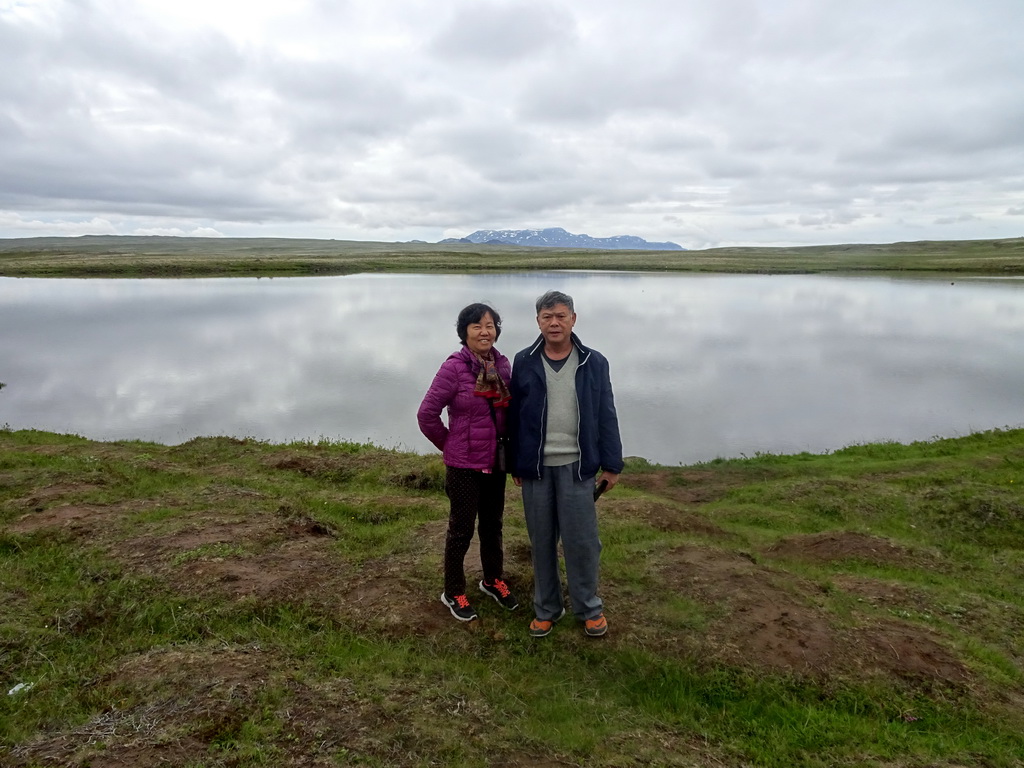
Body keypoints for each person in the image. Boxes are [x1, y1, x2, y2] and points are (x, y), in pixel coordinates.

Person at [509, 290, 624, 638]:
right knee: (541, 541)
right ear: (538, 322)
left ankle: (588, 607)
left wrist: (612, 464)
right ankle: (547, 609)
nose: (554, 323)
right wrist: (517, 462)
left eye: (561, 315)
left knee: (582, 541)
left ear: (574, 319)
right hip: (537, 469)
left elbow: (606, 413)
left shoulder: (594, 361)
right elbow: (515, 416)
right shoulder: (524, 360)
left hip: (578, 467)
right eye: (547, 317)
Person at [418, 303, 520, 622]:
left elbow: (509, 415)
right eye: (476, 326)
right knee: (461, 529)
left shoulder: (502, 366)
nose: (484, 331)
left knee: (493, 526)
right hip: (464, 466)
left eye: (489, 325)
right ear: (464, 333)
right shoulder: (454, 368)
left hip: (495, 461)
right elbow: (427, 415)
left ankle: (492, 580)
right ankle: (453, 591)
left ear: (497, 331)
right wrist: (450, 445)